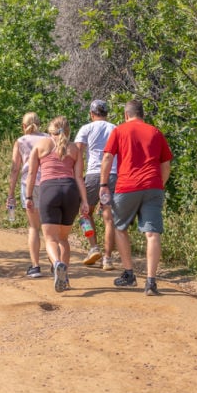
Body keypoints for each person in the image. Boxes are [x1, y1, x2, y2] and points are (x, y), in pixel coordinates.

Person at [100, 99, 173, 296]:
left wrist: (103, 184)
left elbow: (107, 157)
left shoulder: (120, 130)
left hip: (127, 185)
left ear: (126, 114)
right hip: (153, 186)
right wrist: (159, 184)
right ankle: (151, 282)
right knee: (152, 233)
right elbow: (166, 165)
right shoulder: (155, 132)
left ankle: (129, 274)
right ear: (143, 114)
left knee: (120, 227)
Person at [26, 116, 89, 293]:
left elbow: (31, 173)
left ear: (50, 130)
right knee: (63, 238)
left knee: (50, 239)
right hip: (70, 192)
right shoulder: (74, 149)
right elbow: (78, 177)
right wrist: (84, 201)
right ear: (67, 131)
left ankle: (57, 264)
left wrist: (29, 196)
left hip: (49, 190)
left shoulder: (41, 145)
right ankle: (65, 276)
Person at [74, 99, 117, 270]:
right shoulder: (115, 128)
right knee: (109, 218)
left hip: (93, 175)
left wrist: (76, 175)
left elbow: (77, 153)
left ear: (92, 114)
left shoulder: (86, 128)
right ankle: (107, 258)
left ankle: (93, 247)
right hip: (113, 175)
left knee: (84, 213)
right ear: (107, 114)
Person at [7, 112, 47, 278]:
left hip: (28, 185)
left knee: (33, 227)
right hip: (47, 183)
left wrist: (10, 193)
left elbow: (15, 168)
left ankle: (36, 266)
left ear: (24, 126)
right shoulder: (48, 139)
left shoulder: (21, 141)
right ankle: (55, 262)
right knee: (49, 226)